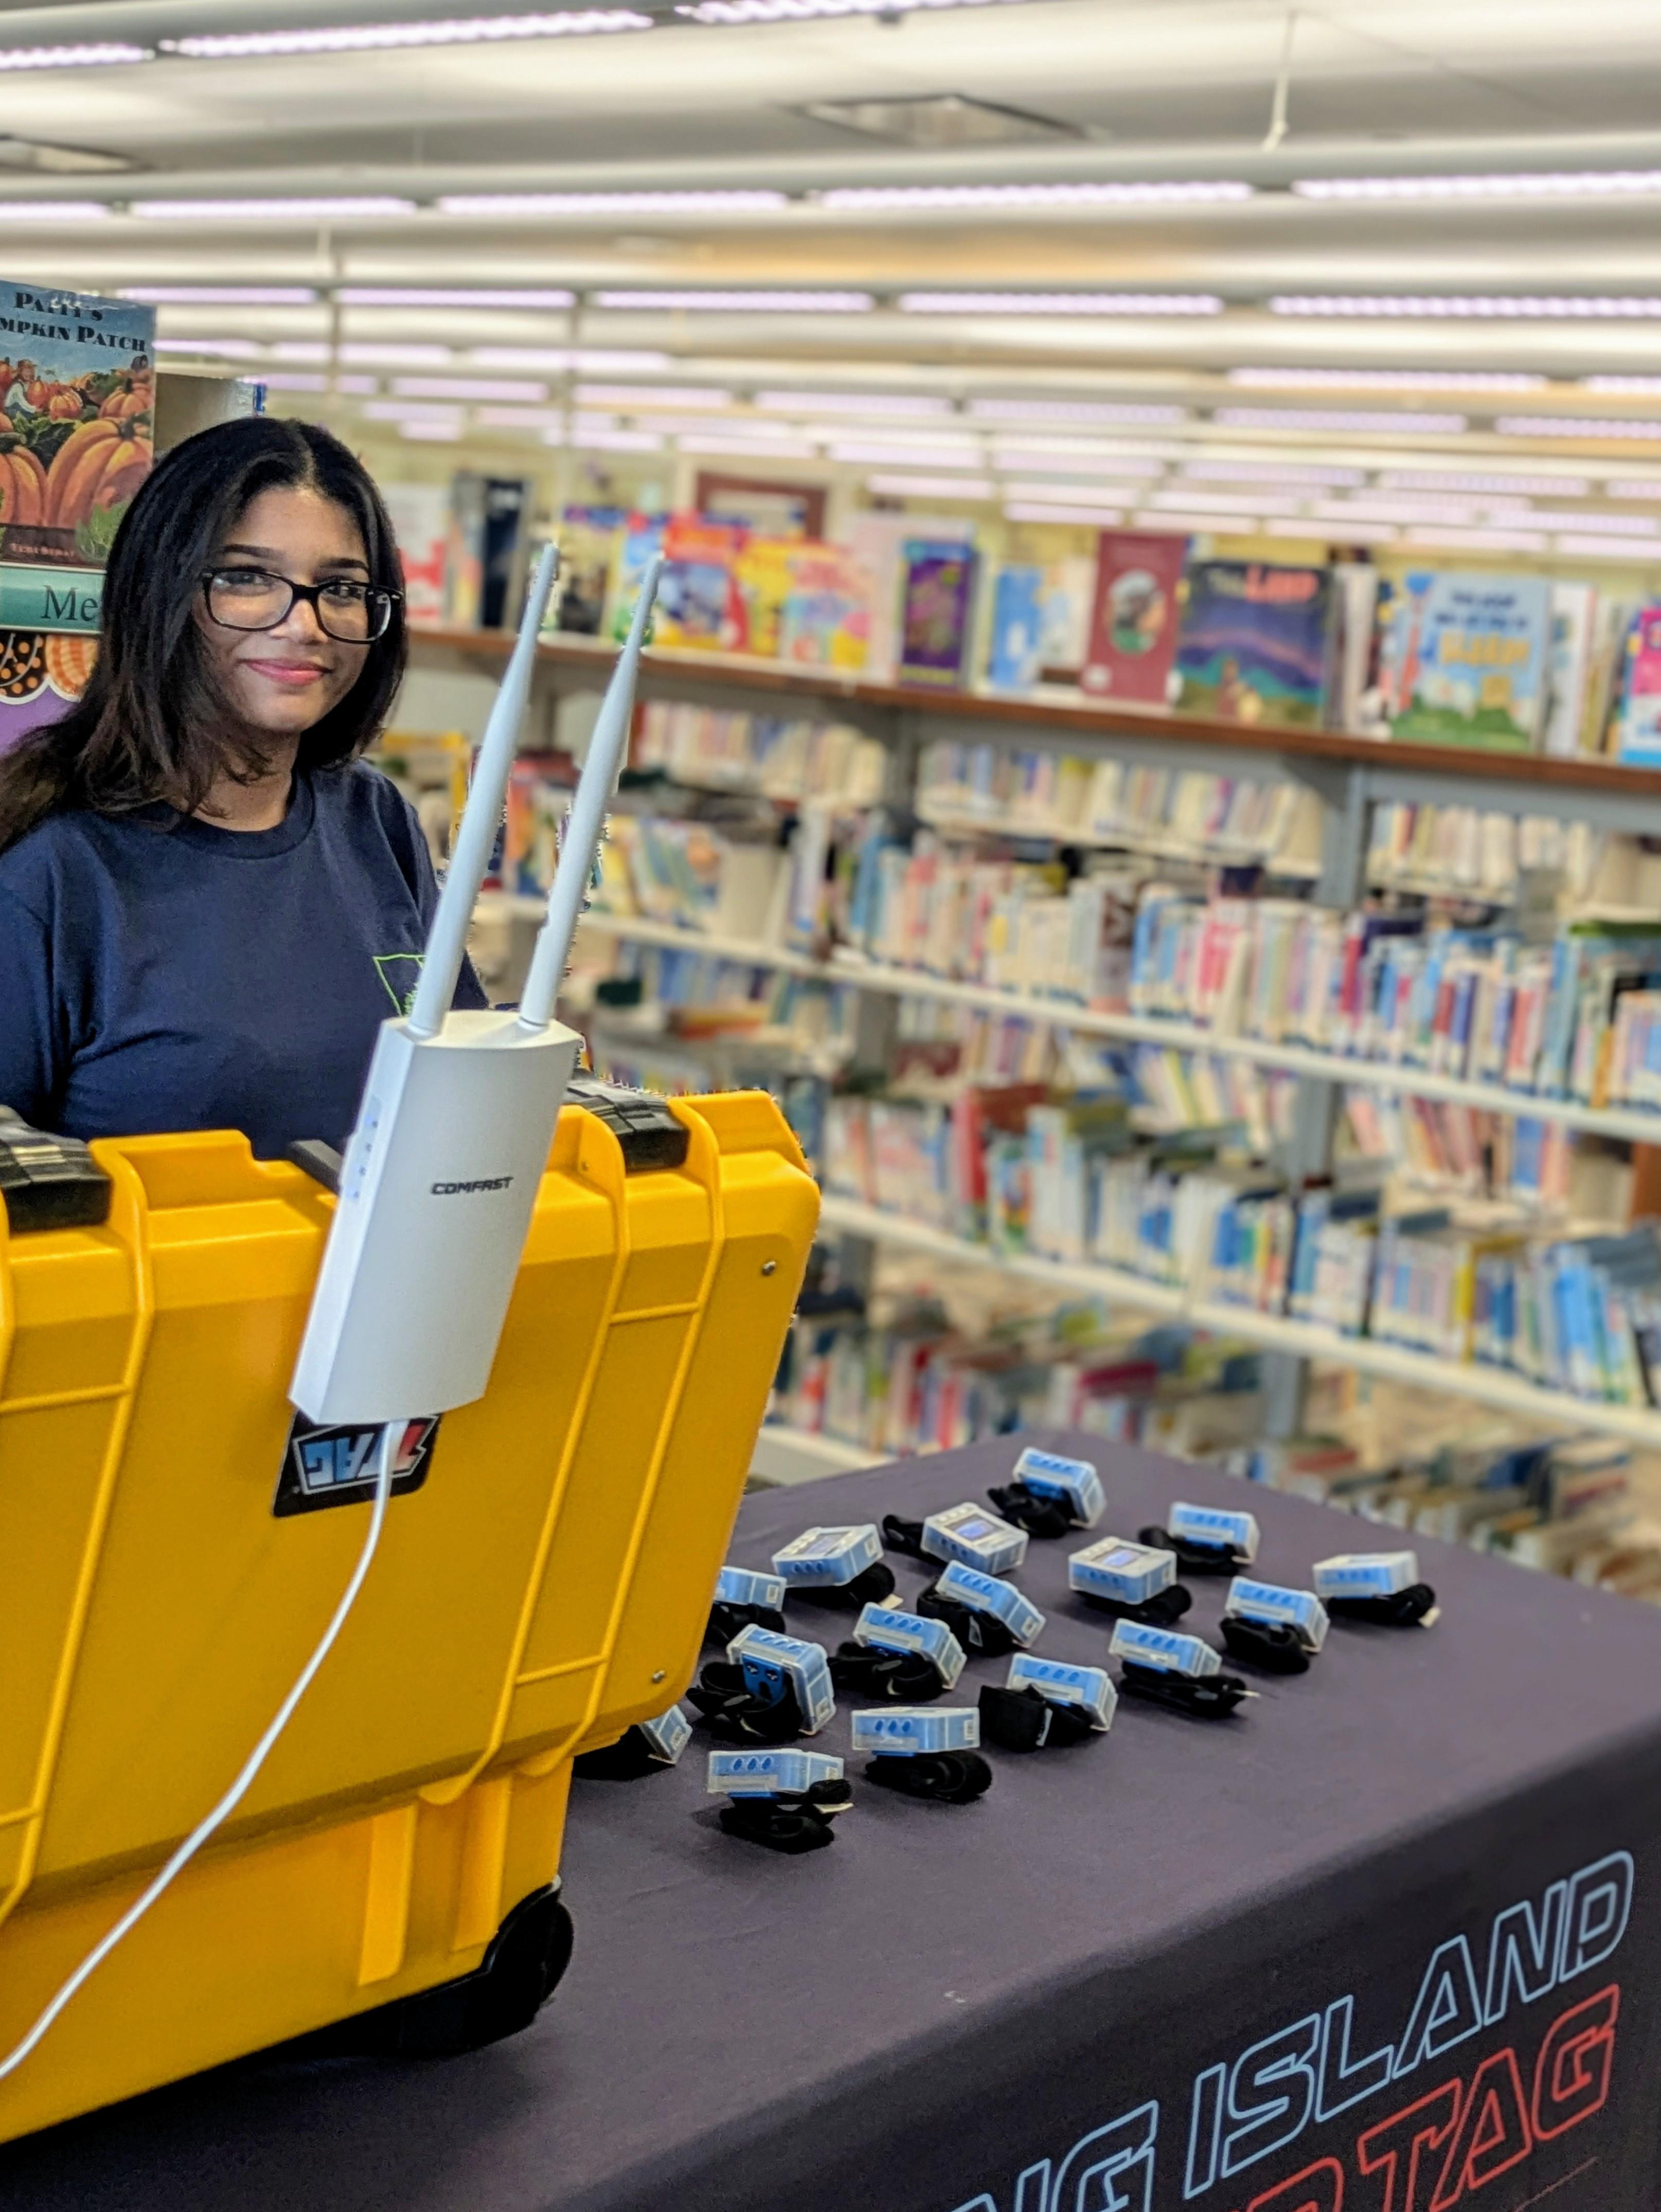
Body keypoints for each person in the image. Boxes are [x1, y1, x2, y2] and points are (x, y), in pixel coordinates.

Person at [0, 413, 485, 1161]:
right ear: (159, 591)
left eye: (342, 588)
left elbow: (462, 1079)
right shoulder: (52, 872)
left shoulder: (374, 819)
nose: (304, 623)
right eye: (246, 577)